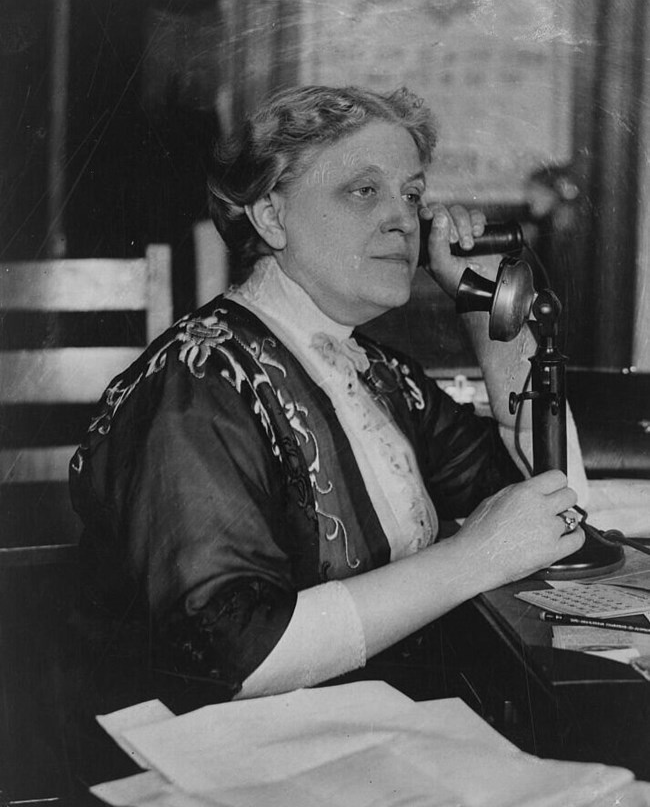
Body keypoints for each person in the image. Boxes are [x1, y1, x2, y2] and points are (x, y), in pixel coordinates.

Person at [69, 84, 588, 705]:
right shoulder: (198, 382)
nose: (402, 217)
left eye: (413, 194)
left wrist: (486, 308)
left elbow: (552, 510)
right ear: (271, 215)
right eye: (363, 190)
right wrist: (472, 559)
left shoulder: (374, 372)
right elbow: (230, 655)